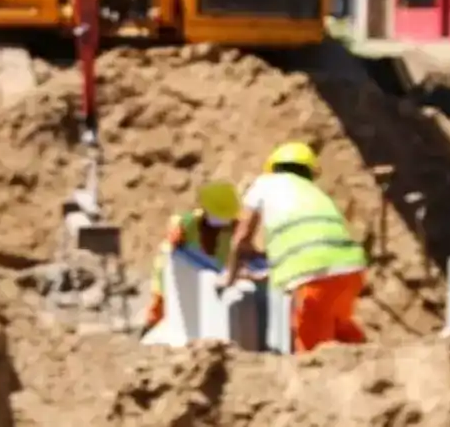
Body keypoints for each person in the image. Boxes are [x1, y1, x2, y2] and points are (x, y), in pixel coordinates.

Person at [217, 142, 369, 353]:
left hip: (315, 278)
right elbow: (305, 250)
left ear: (273, 167)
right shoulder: (316, 194)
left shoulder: (264, 184)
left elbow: (241, 238)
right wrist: (264, 274)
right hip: (351, 272)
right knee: (337, 329)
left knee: (312, 354)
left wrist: (229, 277)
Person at [141, 181, 243, 333]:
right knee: (161, 307)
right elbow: (171, 250)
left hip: (212, 278)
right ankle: (148, 333)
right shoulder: (188, 223)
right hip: (180, 276)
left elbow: (240, 251)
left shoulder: (235, 227)